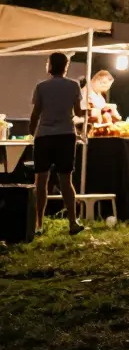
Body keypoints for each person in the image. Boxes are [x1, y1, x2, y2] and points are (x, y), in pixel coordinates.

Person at [30, 52, 86, 236]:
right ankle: (72, 221)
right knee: (65, 180)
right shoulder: (73, 85)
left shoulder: (41, 87)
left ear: (49, 66)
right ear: (66, 66)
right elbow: (78, 111)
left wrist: (32, 133)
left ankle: (38, 224)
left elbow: (36, 113)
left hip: (44, 135)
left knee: (41, 181)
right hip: (66, 135)